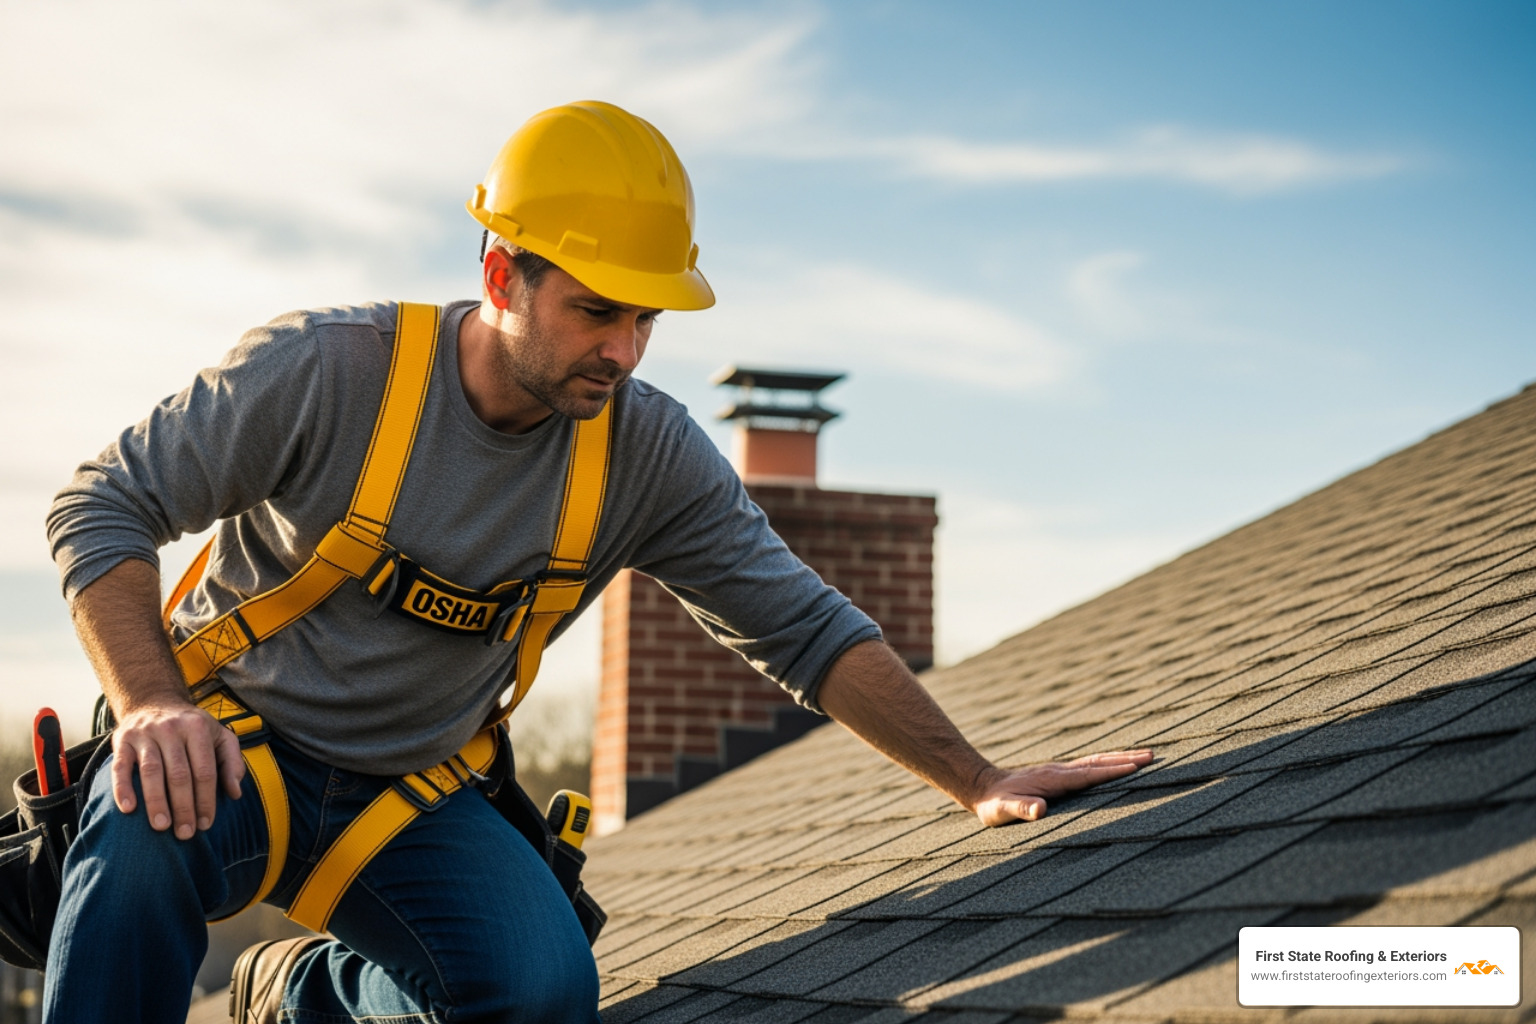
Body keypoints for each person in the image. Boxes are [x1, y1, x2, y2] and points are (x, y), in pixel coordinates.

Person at [44, 100, 1152, 1023]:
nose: (622, 349)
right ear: (500, 273)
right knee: (139, 841)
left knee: (540, 994)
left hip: (410, 796)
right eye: (594, 311)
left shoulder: (645, 452)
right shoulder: (330, 372)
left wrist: (978, 779)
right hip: (233, 754)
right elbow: (102, 506)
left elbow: (806, 630)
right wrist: (148, 703)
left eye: (644, 320)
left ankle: (301, 994)